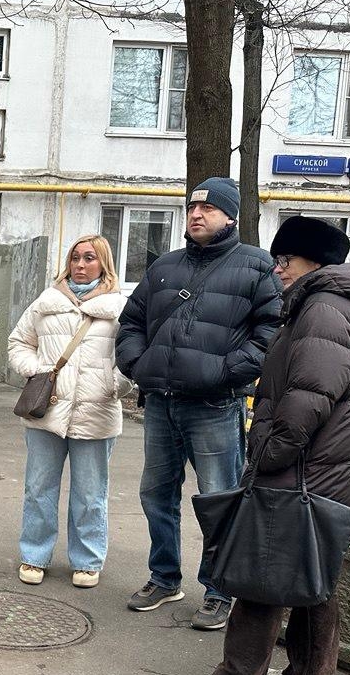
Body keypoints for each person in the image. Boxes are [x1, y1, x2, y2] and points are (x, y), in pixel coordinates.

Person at [171, 216, 350, 675]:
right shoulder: (346, 309)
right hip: (334, 473)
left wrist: (267, 455)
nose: (278, 269)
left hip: (304, 469)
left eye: (285, 259)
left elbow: (308, 398)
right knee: (316, 575)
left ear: (314, 262)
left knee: (264, 566)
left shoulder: (323, 310)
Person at [115, 176, 282, 630]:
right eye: (192, 207)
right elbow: (131, 322)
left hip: (215, 406)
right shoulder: (165, 266)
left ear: (230, 215)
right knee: (156, 494)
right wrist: (138, 364)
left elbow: (272, 332)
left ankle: (219, 590)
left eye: (207, 209)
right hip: (161, 403)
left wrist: (225, 372)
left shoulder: (256, 266)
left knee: (218, 499)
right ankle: (164, 577)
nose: (195, 214)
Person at [7, 235, 131, 588]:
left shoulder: (119, 308)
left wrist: (114, 385)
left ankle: (88, 560)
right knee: (38, 488)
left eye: (89, 258)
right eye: (75, 257)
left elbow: (131, 355)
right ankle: (34, 555)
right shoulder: (46, 302)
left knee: (91, 493)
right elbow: (18, 342)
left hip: (97, 412)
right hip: (47, 412)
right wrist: (37, 371)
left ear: (103, 263)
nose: (80, 264)